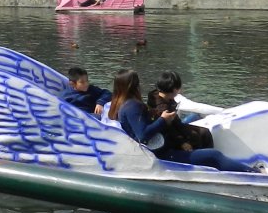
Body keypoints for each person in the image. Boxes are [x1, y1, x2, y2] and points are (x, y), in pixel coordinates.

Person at [103, 69, 257, 172]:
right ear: (133, 86)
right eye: (137, 82)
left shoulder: (122, 104)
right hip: (162, 154)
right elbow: (143, 135)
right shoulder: (132, 106)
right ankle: (253, 173)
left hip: (162, 147)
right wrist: (163, 120)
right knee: (214, 155)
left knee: (196, 127)